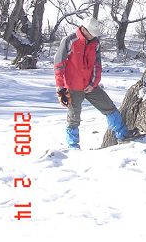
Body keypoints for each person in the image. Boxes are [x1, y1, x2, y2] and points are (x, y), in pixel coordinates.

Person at [54, 16, 136, 149]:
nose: (94, 36)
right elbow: (59, 64)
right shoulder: (69, 41)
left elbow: (97, 65)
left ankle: (123, 135)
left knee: (109, 107)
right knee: (73, 118)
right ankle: (73, 146)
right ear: (84, 30)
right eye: (92, 33)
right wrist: (60, 87)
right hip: (73, 87)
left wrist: (93, 83)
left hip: (90, 86)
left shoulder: (95, 43)